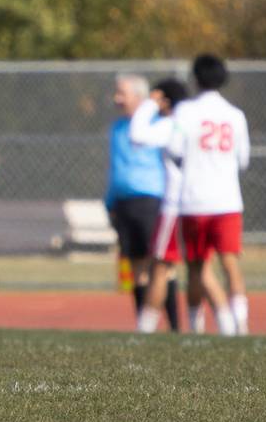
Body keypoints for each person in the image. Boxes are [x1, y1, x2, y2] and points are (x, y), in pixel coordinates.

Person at [168, 54, 250, 336]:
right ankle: (240, 325)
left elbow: (175, 150)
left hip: (194, 201)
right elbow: (243, 160)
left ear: (196, 78)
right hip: (228, 200)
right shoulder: (236, 115)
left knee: (195, 267)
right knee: (230, 264)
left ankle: (196, 326)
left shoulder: (185, 112)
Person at [104, 73, 175, 329]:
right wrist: (109, 201)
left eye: (122, 93)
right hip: (124, 204)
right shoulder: (116, 129)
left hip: (152, 201)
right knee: (136, 268)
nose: (117, 98)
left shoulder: (159, 125)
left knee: (161, 265)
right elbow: (114, 168)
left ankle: (176, 327)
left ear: (139, 96)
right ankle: (144, 327)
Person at [127, 78, 190, 334]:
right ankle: (229, 326)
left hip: (175, 205)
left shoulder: (171, 125)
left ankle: (146, 328)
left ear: (164, 100)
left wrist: (148, 106)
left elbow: (137, 135)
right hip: (200, 203)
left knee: (160, 266)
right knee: (201, 268)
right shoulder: (193, 123)